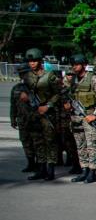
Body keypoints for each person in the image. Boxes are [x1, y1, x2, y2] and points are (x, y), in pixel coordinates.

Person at [63, 54, 96, 183]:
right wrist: (68, 105)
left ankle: (92, 171)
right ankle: (84, 170)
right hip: (76, 117)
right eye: (73, 65)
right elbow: (70, 96)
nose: (75, 67)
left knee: (91, 145)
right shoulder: (73, 81)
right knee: (80, 145)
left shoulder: (93, 79)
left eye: (77, 64)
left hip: (89, 117)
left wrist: (95, 114)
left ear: (83, 65)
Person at [22, 48, 61, 181]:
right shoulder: (27, 76)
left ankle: (50, 170)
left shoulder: (49, 75)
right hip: (34, 114)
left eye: (34, 61)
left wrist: (48, 105)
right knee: (37, 142)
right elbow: (27, 91)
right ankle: (41, 169)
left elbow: (58, 93)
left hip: (48, 114)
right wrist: (25, 96)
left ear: (39, 61)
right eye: (29, 61)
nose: (31, 63)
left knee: (50, 141)